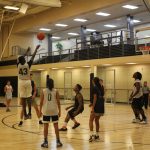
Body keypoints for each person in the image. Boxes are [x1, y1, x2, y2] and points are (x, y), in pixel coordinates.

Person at [18, 45, 40, 126]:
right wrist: (36, 50)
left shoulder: (18, 65)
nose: (25, 58)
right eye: (24, 58)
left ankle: (26, 115)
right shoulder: (28, 65)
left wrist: (26, 52)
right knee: (29, 98)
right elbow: (33, 57)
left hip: (20, 82)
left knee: (23, 99)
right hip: (27, 81)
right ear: (24, 60)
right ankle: (29, 113)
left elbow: (21, 58)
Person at [40, 78, 62, 148]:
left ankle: (45, 142)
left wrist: (40, 110)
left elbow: (41, 102)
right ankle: (58, 141)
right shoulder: (56, 91)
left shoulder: (43, 91)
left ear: (46, 83)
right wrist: (60, 111)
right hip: (54, 110)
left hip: (46, 110)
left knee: (46, 126)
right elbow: (58, 102)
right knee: (56, 126)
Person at [89, 77, 105, 142]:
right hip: (101, 106)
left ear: (94, 81)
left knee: (91, 120)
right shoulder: (101, 87)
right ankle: (97, 135)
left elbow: (95, 98)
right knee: (97, 120)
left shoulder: (94, 88)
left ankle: (91, 135)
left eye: (92, 81)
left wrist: (93, 107)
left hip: (97, 106)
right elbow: (100, 97)